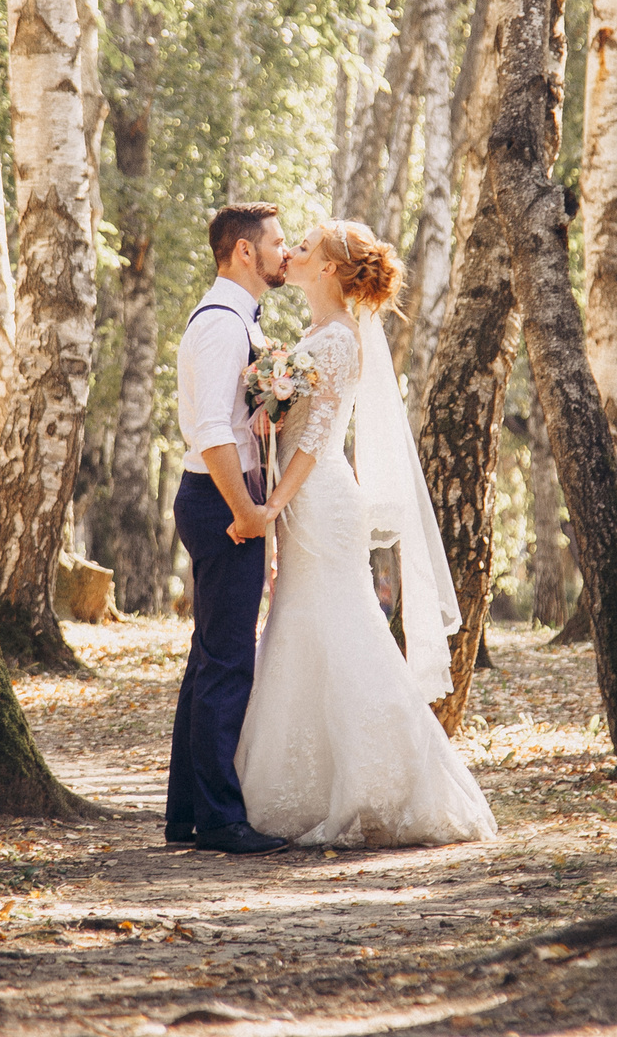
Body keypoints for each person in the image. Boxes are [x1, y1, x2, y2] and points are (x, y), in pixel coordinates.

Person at [236, 220, 496, 847]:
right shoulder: (316, 336)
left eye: (305, 247)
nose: (291, 252)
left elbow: (321, 438)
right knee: (302, 626)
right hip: (304, 495)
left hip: (319, 499)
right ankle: (309, 784)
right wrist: (272, 420)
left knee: (341, 626)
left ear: (327, 269)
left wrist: (271, 506)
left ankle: (382, 782)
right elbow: (298, 424)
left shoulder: (337, 342)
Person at [163, 203, 293, 854]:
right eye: (276, 242)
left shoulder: (237, 321)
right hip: (222, 502)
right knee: (227, 661)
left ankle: (187, 810)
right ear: (245, 252)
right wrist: (246, 510)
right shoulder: (220, 326)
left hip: (222, 498)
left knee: (210, 656)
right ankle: (218, 817)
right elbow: (210, 430)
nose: (284, 252)